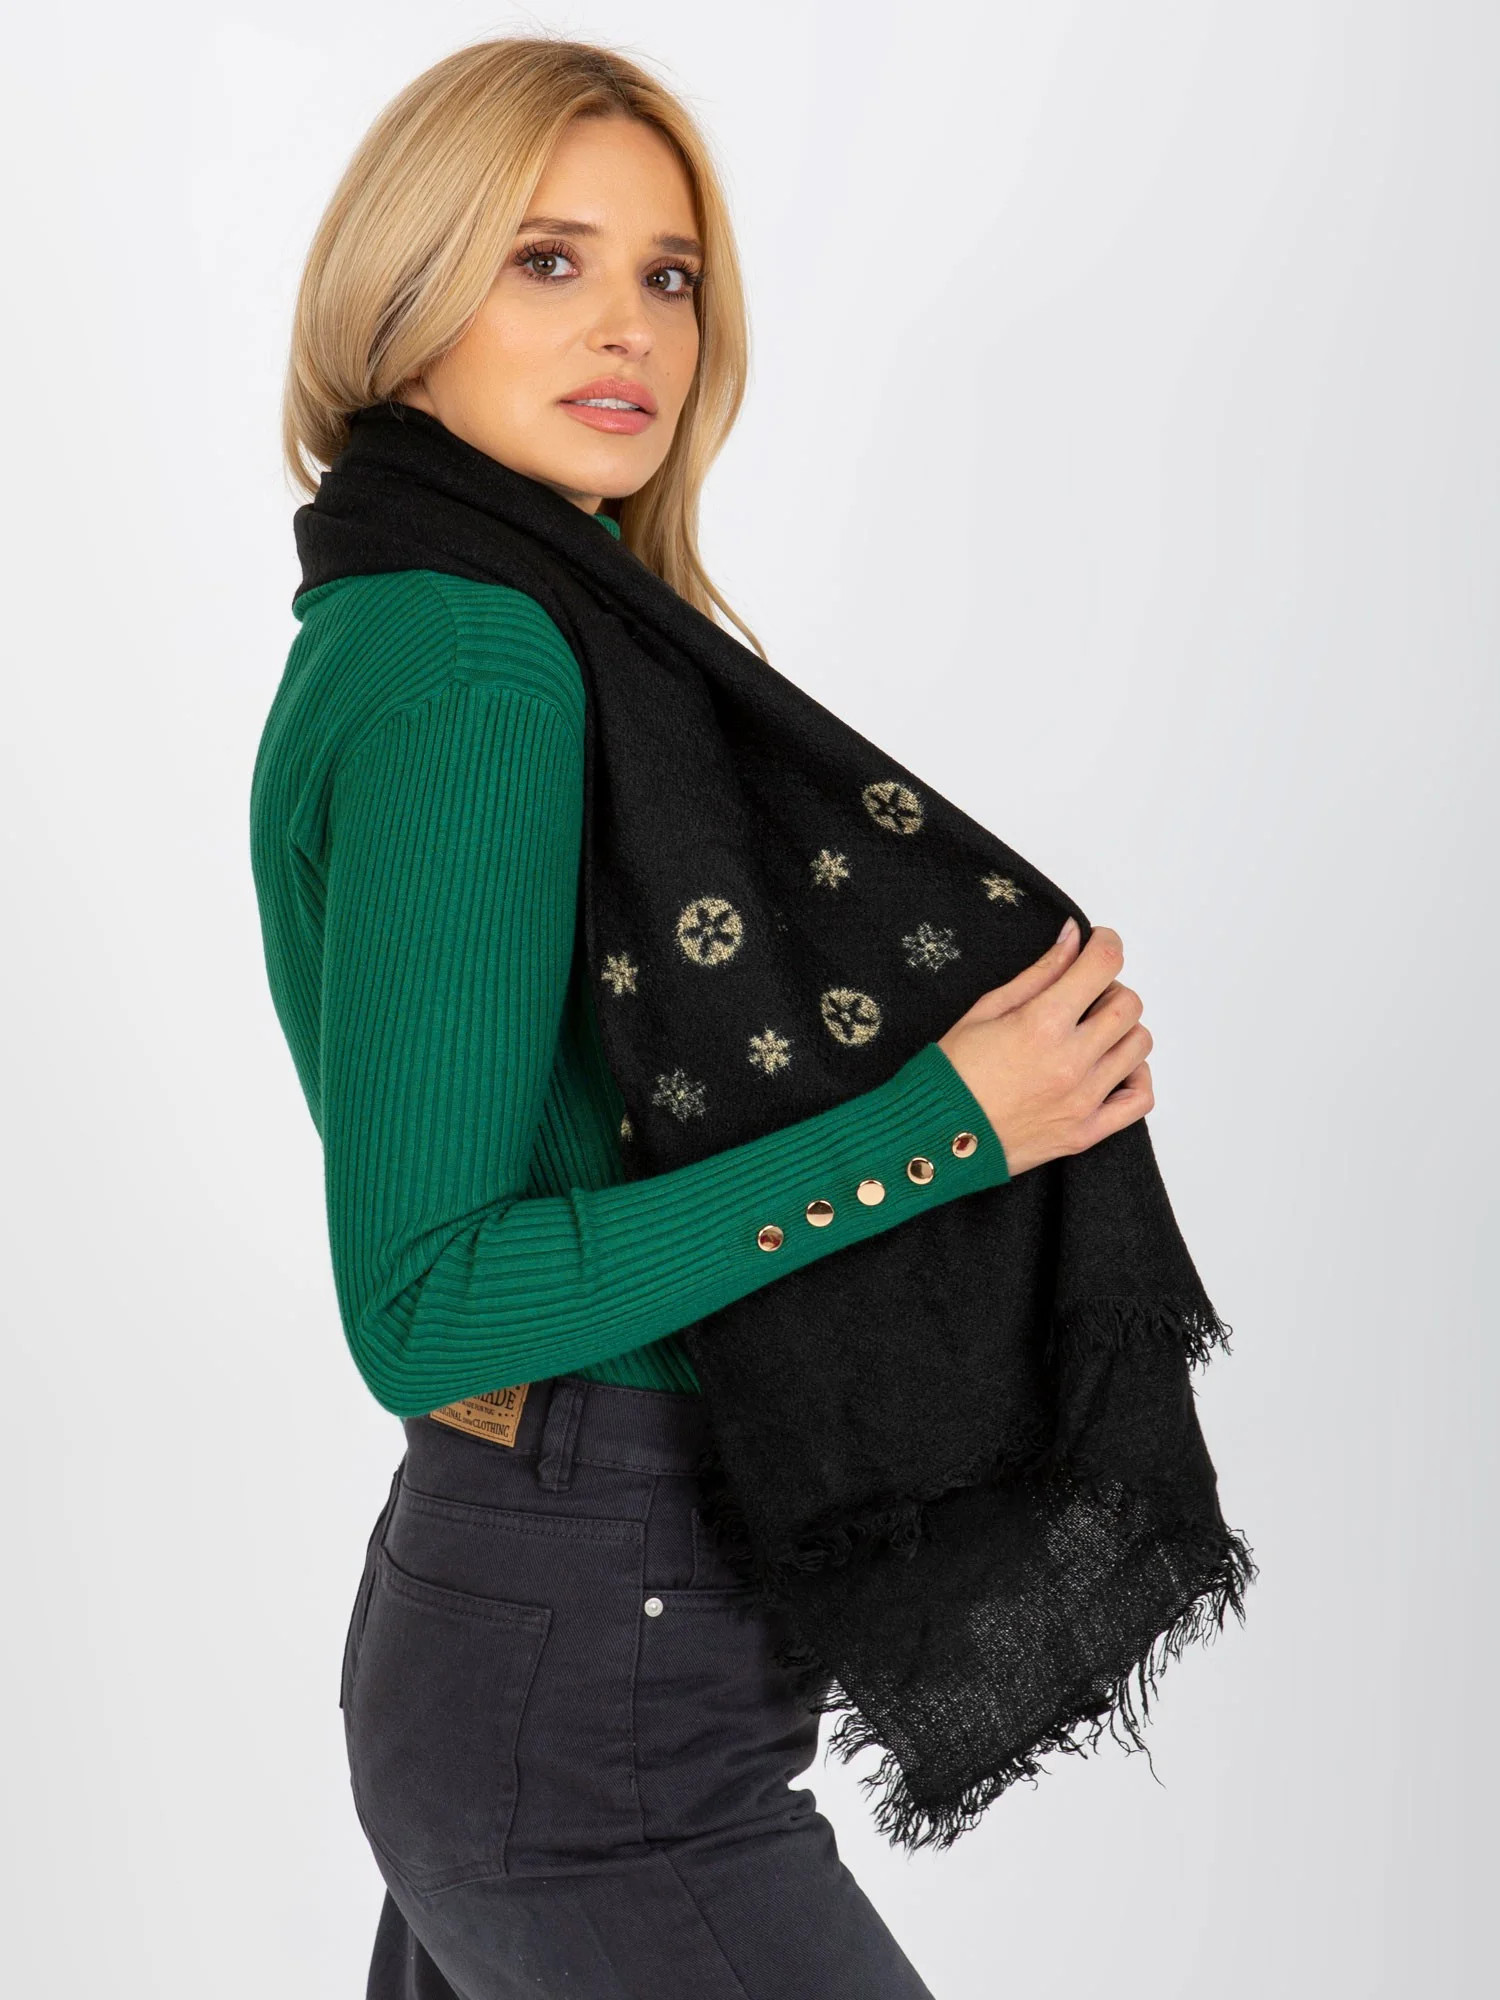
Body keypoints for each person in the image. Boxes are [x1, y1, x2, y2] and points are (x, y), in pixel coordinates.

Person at [250, 34, 1154, 2000]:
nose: (633, 328)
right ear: (401, 299)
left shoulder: (423, 613)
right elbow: (427, 1301)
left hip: (552, 1630)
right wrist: (947, 1127)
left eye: (667, 274)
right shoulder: (478, 667)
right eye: (545, 260)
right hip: (591, 1701)